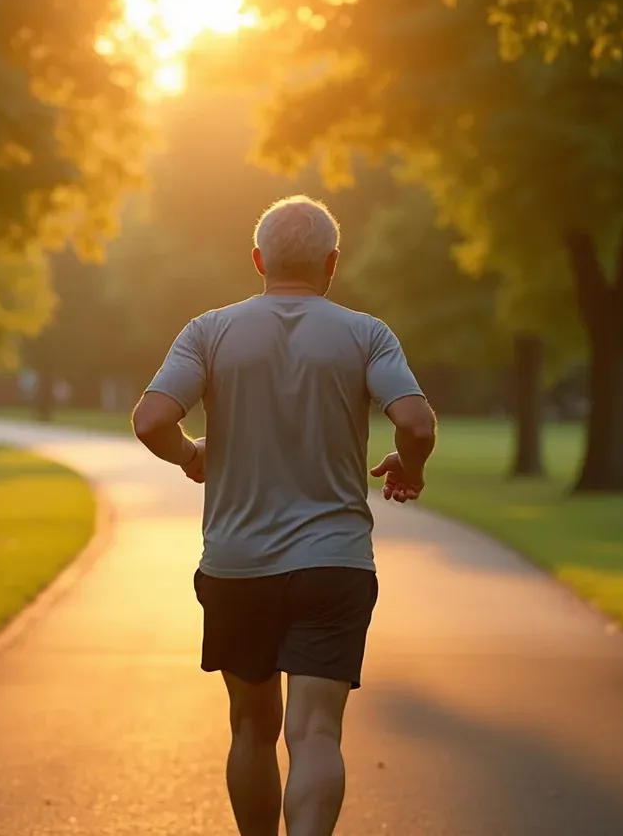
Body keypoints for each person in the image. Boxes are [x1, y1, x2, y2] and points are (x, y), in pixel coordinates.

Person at [130, 195, 437, 836]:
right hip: (333, 564)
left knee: (251, 727)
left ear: (257, 259)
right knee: (316, 731)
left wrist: (191, 456)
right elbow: (414, 421)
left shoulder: (208, 331)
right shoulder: (365, 333)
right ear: (332, 262)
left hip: (238, 565)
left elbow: (153, 419)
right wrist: (409, 465)